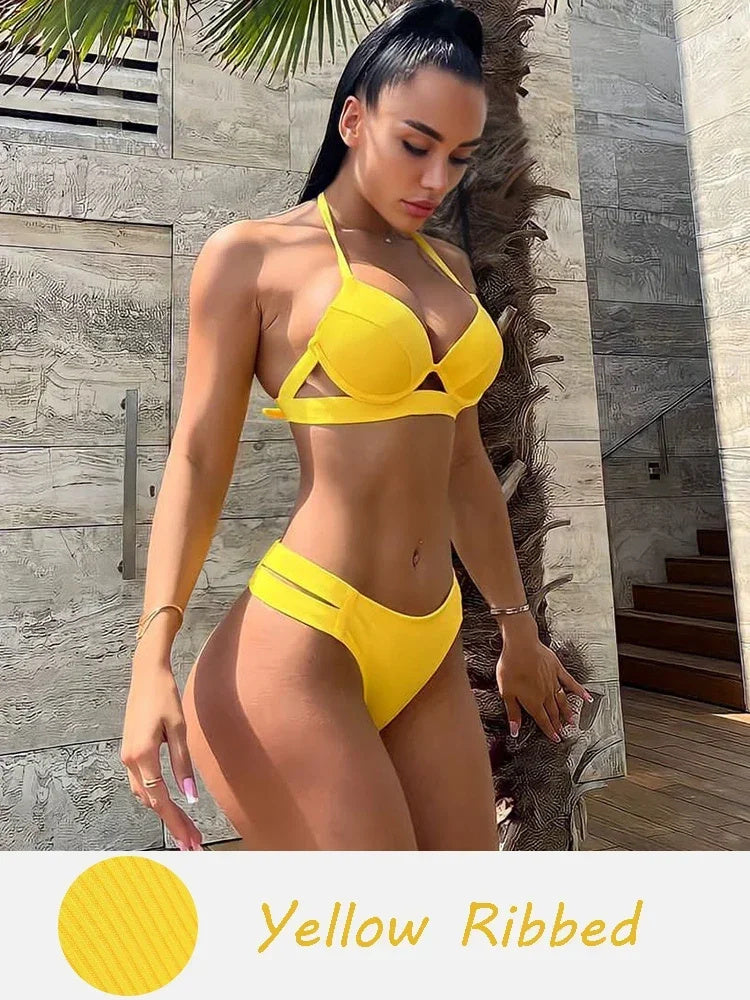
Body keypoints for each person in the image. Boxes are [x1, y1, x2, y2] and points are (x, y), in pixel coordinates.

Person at [121, 0, 591, 852]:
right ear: (353, 120)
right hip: (304, 638)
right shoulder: (252, 256)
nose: (435, 179)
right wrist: (151, 656)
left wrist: (517, 629)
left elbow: (462, 467)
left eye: (458, 157)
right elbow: (196, 458)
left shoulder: (450, 267)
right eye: (415, 144)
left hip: (431, 643)